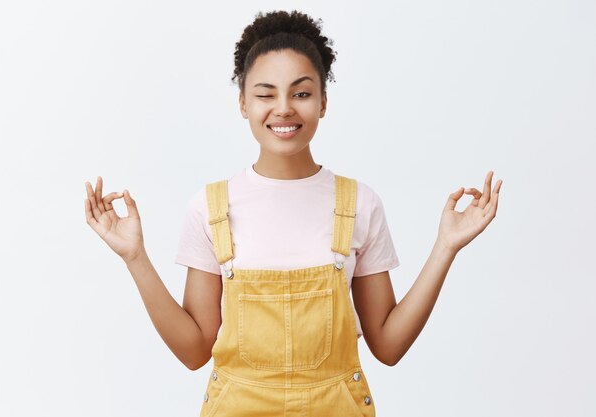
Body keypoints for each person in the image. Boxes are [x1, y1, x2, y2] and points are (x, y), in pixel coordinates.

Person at [84, 9, 502, 416]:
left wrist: (446, 247)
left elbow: (388, 346)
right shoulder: (212, 208)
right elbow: (195, 351)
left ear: (323, 102)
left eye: (301, 93)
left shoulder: (360, 204)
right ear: (243, 104)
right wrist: (134, 257)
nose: (283, 108)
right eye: (265, 94)